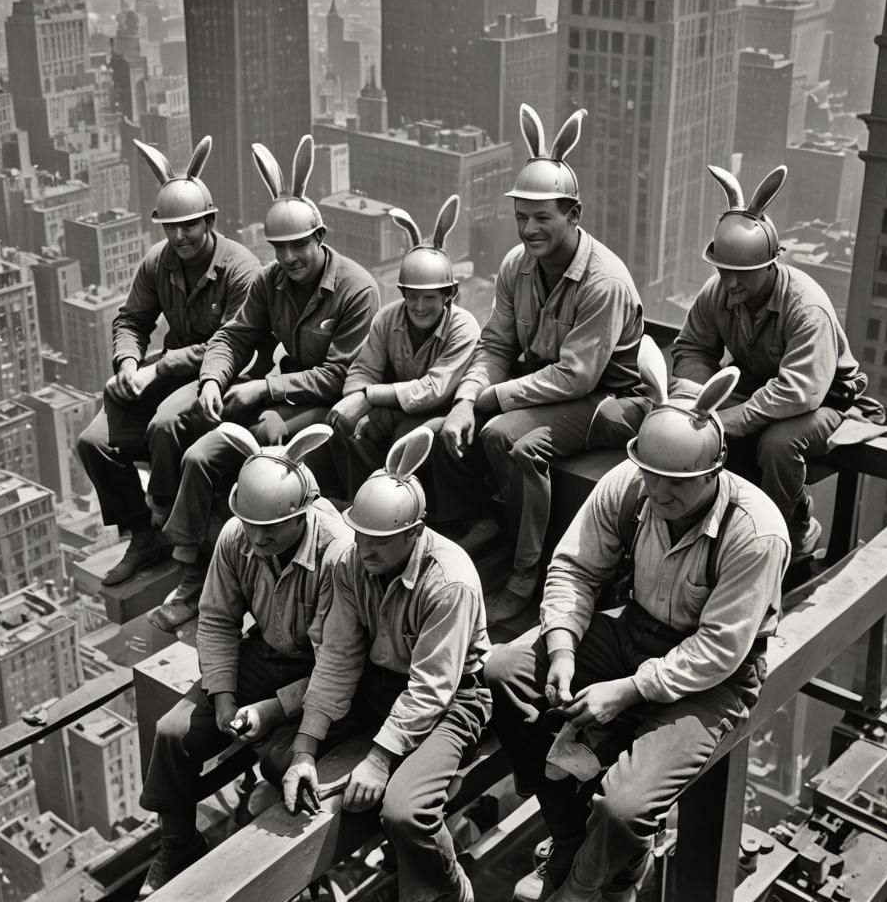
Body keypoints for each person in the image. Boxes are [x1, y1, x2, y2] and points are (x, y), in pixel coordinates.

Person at [484, 356, 789, 902]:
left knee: (624, 808)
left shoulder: (755, 533)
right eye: (652, 476)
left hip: (714, 676)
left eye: (677, 484)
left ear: (714, 472)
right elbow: (575, 569)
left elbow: (721, 647)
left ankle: (588, 884)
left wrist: (627, 691)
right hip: (634, 631)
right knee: (505, 670)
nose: (659, 494)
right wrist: (562, 649)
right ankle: (570, 837)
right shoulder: (630, 485)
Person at [149, 133, 379, 631]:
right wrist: (213, 380)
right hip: (282, 390)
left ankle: (270, 572)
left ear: (320, 237)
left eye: (299, 245)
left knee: (271, 444)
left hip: (327, 402)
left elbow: (339, 374)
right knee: (199, 456)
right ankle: (190, 570)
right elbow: (234, 336)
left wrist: (264, 390)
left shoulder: (357, 288)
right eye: (280, 248)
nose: (289, 257)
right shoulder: (269, 281)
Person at [436, 104, 648, 622]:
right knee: (450, 426)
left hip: (610, 399)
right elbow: (496, 344)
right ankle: (481, 526)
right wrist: (467, 398)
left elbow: (577, 375)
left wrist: (493, 398)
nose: (528, 229)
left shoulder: (603, 281)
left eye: (542, 217)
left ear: (573, 215)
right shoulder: (518, 266)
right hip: (547, 386)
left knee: (513, 441)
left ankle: (526, 575)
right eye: (521, 218)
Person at [268, 427, 492, 902]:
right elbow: (338, 656)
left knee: (406, 811)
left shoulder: (449, 582)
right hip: (382, 685)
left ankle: (450, 890)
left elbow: (432, 687)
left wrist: (379, 758)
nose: (365, 550)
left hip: (454, 699)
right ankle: (384, 854)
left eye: (380, 541)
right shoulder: (352, 562)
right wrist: (305, 749)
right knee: (281, 754)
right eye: (360, 536)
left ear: (414, 533)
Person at [135, 423, 352, 899]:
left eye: (269, 529)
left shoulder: (337, 553)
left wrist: (273, 710)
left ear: (301, 515)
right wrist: (223, 697)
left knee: (283, 763)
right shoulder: (238, 536)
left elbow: (338, 663)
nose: (256, 537)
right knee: (173, 733)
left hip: (321, 672)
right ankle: (177, 845)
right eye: (249, 525)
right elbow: (217, 619)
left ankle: (305, 879)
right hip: (264, 654)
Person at [672, 164, 886, 568]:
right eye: (724, 271)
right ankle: (714, 532)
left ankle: (789, 539)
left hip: (828, 403)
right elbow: (692, 349)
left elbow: (798, 392)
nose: (731, 283)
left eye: (743, 274)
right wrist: (699, 401)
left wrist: (728, 419)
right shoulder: (718, 292)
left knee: (778, 444)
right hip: (758, 392)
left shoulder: (805, 307)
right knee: (684, 422)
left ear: (770, 265)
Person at [76, 136, 261, 587]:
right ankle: (143, 536)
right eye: (171, 227)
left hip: (228, 375)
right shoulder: (159, 262)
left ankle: (170, 519)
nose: (180, 237)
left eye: (190, 226)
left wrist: (159, 368)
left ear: (210, 220)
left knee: (165, 423)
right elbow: (132, 319)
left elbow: (233, 343)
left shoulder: (241, 269)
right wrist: (127, 363)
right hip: (174, 369)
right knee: (93, 441)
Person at [327, 194, 480, 503]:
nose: (419, 307)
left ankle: (430, 511)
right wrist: (357, 403)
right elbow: (363, 369)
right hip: (397, 406)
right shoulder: (387, 319)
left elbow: (433, 389)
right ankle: (366, 500)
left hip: (443, 410)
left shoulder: (463, 326)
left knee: (408, 439)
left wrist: (368, 397)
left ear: (449, 295)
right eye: (412, 297)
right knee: (346, 426)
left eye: (430, 298)